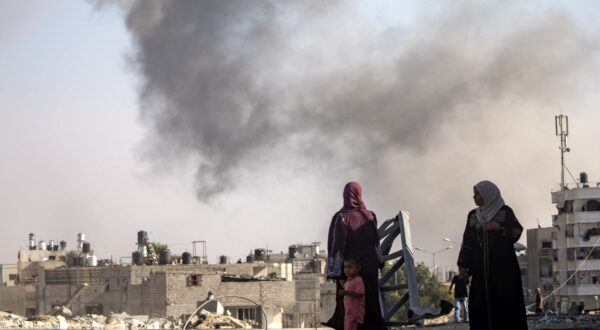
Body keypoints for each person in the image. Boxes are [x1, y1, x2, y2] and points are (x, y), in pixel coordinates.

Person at [457, 180, 527, 330]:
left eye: (477, 193)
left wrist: (499, 227)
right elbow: (467, 241)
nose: (474, 197)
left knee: (505, 305)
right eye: (474, 193)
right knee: (479, 304)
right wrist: (463, 265)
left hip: (503, 270)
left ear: (488, 195)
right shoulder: (473, 216)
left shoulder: (504, 212)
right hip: (480, 270)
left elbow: (516, 231)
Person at [325, 182, 387, 330]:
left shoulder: (341, 217)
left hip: (350, 269)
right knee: (370, 301)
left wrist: (337, 274)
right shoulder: (370, 215)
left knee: (349, 305)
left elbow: (337, 248)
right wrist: (379, 262)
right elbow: (376, 244)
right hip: (370, 268)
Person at [339, 257, 365, 330]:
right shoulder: (349, 280)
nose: (347, 270)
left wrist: (346, 293)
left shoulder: (358, 279)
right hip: (348, 310)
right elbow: (346, 287)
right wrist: (340, 280)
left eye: (350, 267)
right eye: (345, 267)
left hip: (355, 311)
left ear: (358, 268)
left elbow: (360, 293)